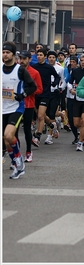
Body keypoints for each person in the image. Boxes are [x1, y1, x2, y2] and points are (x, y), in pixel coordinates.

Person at [3, 41, 37, 179]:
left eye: (7, 53)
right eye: (3, 52)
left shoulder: (20, 70)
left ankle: (18, 162)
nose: (5, 55)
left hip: (16, 108)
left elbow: (32, 87)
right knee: (6, 141)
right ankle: (16, 162)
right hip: (2, 108)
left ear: (13, 55)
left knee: (9, 136)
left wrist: (22, 95)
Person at [17, 50, 43, 162]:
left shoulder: (35, 73)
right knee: (14, 130)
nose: (22, 61)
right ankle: (16, 154)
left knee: (27, 129)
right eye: (20, 58)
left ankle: (28, 152)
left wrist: (27, 91)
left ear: (29, 59)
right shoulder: (15, 71)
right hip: (15, 105)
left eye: (24, 59)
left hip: (28, 104)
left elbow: (40, 89)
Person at [31, 48, 61, 147]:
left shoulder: (49, 68)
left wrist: (55, 83)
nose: (39, 57)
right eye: (37, 55)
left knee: (40, 116)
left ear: (45, 57)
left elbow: (57, 77)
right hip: (35, 94)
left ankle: (37, 137)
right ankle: (52, 125)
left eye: (41, 55)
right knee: (42, 116)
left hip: (46, 94)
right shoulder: (33, 67)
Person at [68, 54, 84, 151]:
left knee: (83, 120)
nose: (83, 62)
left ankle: (80, 142)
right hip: (77, 99)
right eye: (81, 60)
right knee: (76, 124)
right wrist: (71, 90)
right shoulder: (75, 71)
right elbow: (70, 83)